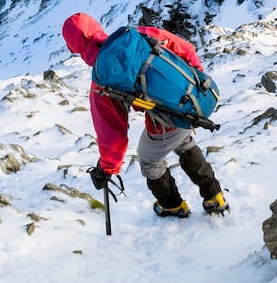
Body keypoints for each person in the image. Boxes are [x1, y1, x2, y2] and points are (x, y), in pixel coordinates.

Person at [62, 12, 228, 218]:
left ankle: (172, 206)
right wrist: (194, 83)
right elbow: (185, 48)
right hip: (197, 98)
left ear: (75, 48)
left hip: (169, 118)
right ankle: (214, 195)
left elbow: (112, 136)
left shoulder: (102, 81)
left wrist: (106, 169)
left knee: (148, 159)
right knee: (182, 141)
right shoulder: (138, 35)